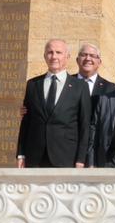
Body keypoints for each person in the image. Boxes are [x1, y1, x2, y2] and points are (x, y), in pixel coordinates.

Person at [17, 38, 90, 168]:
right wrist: (21, 154)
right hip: (35, 156)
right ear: (45, 56)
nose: (54, 56)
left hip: (66, 156)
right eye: (50, 52)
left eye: (58, 52)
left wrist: (81, 158)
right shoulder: (33, 84)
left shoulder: (80, 87)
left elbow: (84, 125)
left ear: (67, 57)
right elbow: (26, 122)